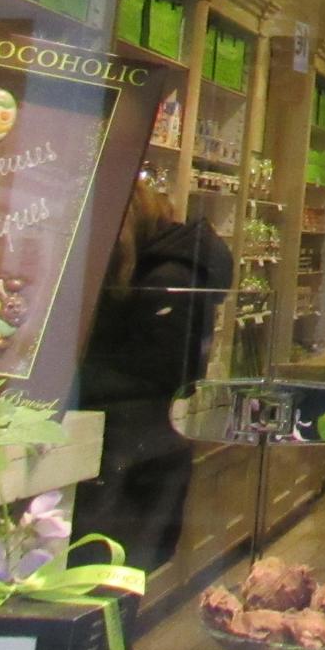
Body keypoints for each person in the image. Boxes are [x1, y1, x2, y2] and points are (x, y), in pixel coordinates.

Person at [73, 177, 233, 573]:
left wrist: (76, 380)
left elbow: (157, 372)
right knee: (114, 578)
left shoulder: (168, 280)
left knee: (106, 575)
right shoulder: (171, 269)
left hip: (135, 455)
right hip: (150, 449)